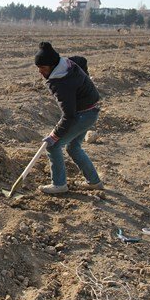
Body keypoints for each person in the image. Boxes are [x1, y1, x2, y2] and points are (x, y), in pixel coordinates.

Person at [34, 42, 103, 194]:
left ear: (52, 66)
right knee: (73, 147)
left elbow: (69, 116)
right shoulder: (67, 64)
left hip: (83, 115)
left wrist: (54, 135)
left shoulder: (61, 83)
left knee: (53, 146)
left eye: (43, 68)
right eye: (38, 68)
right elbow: (82, 60)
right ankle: (94, 182)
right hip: (91, 110)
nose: (40, 71)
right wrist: (84, 80)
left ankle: (59, 184)